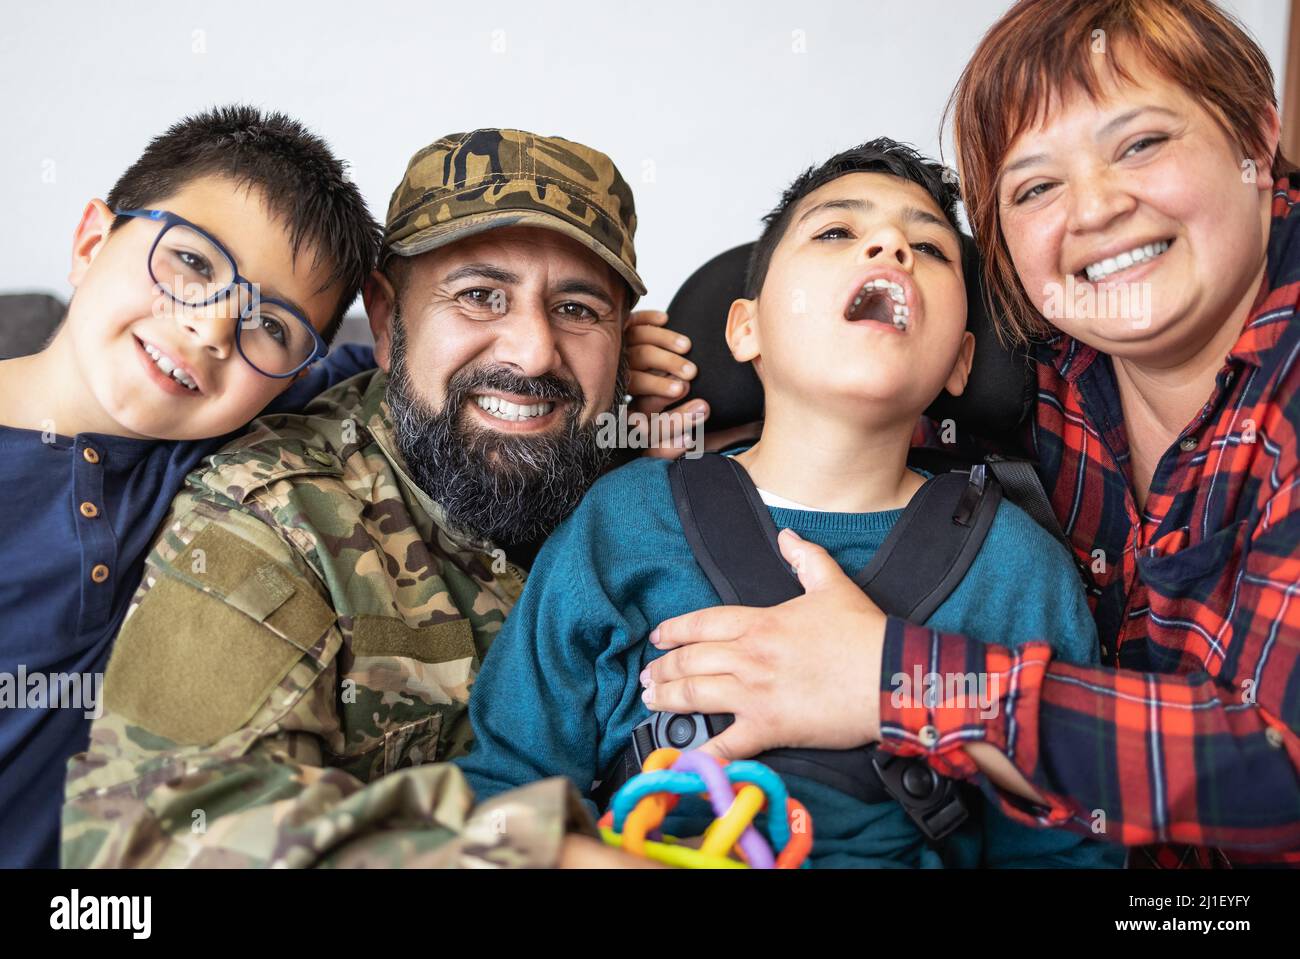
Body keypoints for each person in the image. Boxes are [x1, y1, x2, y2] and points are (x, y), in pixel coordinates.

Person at [639, 0, 1300, 866]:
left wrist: (891, 679)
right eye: (1035, 187)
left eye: (1140, 143)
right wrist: (614, 378)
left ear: (1257, 135)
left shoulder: (1016, 567)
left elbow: (1277, 776)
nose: (1096, 209)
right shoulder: (1046, 360)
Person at [454, 139, 1121, 867]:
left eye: (928, 248)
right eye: (837, 231)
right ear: (747, 328)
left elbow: (1065, 855)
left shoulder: (1019, 571)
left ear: (962, 360)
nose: (889, 247)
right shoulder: (622, 522)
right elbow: (503, 786)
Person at [60, 128, 660, 868]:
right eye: (479, 296)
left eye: (577, 309)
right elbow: (147, 841)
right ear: (385, 320)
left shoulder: (664, 471)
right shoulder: (281, 512)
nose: (533, 351)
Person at [0, 105, 381, 868]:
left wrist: (595, 366)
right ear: (89, 241)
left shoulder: (228, 445)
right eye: (194, 265)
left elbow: (429, 370)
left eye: (270, 326)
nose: (212, 329)